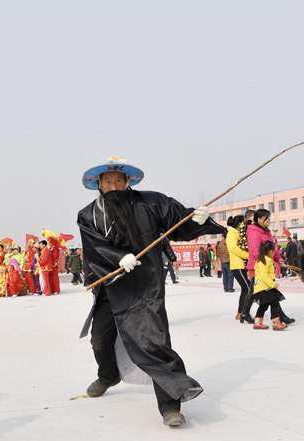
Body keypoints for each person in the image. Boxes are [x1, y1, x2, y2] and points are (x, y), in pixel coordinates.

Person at [77, 157, 225, 426]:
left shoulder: (152, 202)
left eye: (118, 181)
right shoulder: (88, 214)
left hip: (146, 286)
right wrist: (118, 257)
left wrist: (198, 219)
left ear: (128, 182)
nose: (113, 186)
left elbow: (179, 224)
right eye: (107, 181)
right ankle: (108, 375)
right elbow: (93, 248)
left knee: (154, 342)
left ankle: (170, 405)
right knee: (99, 339)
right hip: (111, 285)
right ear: (98, 184)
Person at [244, 209, 291, 324]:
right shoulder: (254, 231)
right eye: (267, 218)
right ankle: (278, 316)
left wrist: (278, 259)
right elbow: (255, 251)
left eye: (269, 218)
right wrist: (268, 261)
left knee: (263, 292)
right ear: (259, 219)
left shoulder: (266, 231)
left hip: (266, 264)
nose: (269, 220)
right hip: (258, 266)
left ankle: (248, 313)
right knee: (258, 291)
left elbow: (271, 249)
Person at [252, 241, 288, 330]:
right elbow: (264, 275)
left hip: (266, 287)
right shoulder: (263, 261)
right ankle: (276, 323)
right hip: (264, 287)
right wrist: (272, 284)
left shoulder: (266, 260)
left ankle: (258, 322)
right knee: (275, 303)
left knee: (264, 305)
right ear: (270, 251)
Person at [227, 215, 253, 322]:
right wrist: (248, 255)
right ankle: (243, 313)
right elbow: (234, 248)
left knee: (245, 289)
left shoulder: (236, 233)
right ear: (239, 224)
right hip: (237, 265)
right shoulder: (232, 234)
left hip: (240, 265)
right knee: (248, 289)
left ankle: (240, 312)